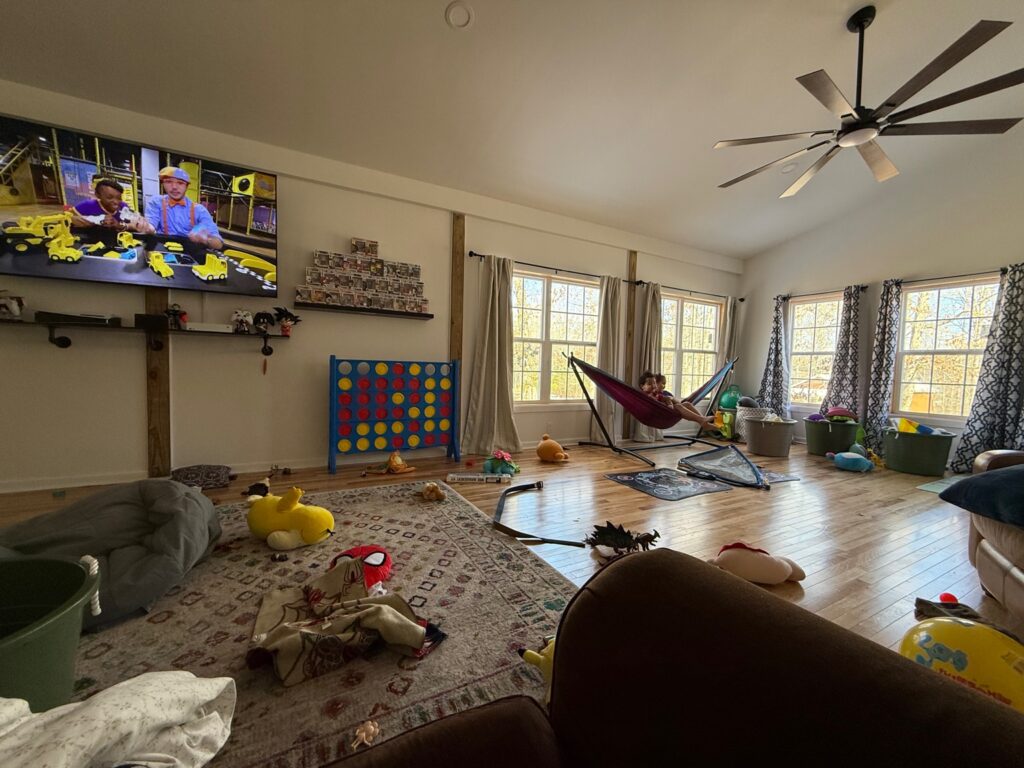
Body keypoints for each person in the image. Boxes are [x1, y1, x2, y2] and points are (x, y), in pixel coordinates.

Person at [144, 166, 224, 250]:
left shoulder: (199, 210)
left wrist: (207, 239)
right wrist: (143, 226)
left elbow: (218, 244)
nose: (174, 187)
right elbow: (151, 225)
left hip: (189, 255)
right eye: (168, 182)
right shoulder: (156, 202)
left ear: (187, 186)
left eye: (180, 183)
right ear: (163, 183)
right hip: (161, 251)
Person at [70, 178, 154, 233]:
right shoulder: (87, 205)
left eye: (119, 198)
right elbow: (68, 219)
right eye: (109, 197)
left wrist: (138, 222)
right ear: (98, 195)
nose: (116, 202)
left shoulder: (123, 206)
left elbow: (135, 223)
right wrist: (97, 220)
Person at [639, 371, 717, 429]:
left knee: (687, 404)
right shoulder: (644, 396)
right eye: (649, 384)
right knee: (679, 406)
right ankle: (702, 420)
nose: (653, 386)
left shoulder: (657, 394)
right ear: (642, 386)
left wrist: (669, 402)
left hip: (667, 410)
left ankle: (703, 421)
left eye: (654, 384)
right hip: (659, 414)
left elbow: (666, 398)